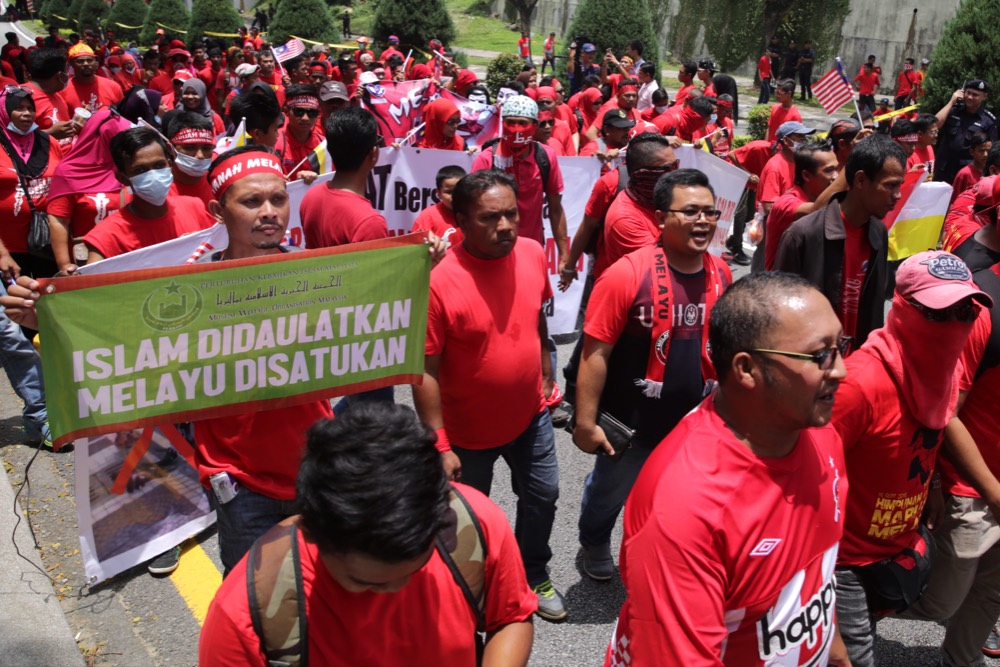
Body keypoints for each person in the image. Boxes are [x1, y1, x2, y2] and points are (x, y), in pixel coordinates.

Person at [605, 271, 850, 666]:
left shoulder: (822, 435)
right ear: (746, 369)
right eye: (819, 355)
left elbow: (816, 576)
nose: (839, 370)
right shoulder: (685, 511)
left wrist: (833, 650)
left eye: (840, 347)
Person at [199, 403, 536, 664]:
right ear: (312, 532)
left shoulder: (473, 524)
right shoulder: (245, 615)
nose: (394, 591)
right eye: (366, 583)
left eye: (414, 569)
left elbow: (511, 618)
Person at [412, 170, 567, 622]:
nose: (505, 227)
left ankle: (532, 571)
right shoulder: (438, 282)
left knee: (544, 495)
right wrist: (439, 444)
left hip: (530, 417)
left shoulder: (533, 253)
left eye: (511, 215)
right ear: (459, 221)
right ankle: (467, 588)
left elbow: (536, 318)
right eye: (489, 218)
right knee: (463, 519)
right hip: (465, 436)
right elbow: (424, 371)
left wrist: (544, 372)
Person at [831, 251, 993, 667]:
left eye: (965, 310)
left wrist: (936, 485)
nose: (955, 323)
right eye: (939, 314)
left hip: (897, 541)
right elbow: (803, 475)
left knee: (938, 605)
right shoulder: (859, 384)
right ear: (903, 309)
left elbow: (941, 420)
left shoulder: (942, 367)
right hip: (846, 560)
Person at [573, 169, 731, 581]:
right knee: (609, 494)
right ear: (661, 218)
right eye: (690, 211)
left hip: (695, 423)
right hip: (631, 423)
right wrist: (585, 422)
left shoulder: (722, 274)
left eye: (710, 212)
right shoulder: (627, 273)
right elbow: (595, 353)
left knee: (679, 498)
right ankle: (593, 541)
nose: (703, 221)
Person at [774, 135, 907, 345]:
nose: (898, 195)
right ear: (861, 180)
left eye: (899, 186)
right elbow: (781, 313)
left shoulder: (878, 232)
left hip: (857, 364)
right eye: (890, 185)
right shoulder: (803, 234)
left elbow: (873, 309)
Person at [81, 127, 215, 262]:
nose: (153, 175)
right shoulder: (107, 236)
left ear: (170, 165)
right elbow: (91, 281)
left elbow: (219, 251)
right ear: (122, 178)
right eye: (140, 170)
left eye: (159, 165)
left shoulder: (193, 207)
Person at [471, 96, 568, 269]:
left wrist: (564, 256)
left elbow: (556, 209)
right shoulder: (487, 160)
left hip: (532, 252)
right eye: (511, 122)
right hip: (493, 254)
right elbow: (474, 211)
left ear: (534, 125)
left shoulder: (545, 157)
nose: (516, 129)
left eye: (522, 123)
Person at [46, 108, 138, 274]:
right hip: (86, 260)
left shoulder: (128, 168)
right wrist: (64, 265)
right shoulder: (69, 171)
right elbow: (59, 221)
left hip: (128, 255)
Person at [595, 133, 679, 279]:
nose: (675, 174)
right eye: (667, 169)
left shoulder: (661, 200)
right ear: (643, 174)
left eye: (676, 165)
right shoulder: (624, 220)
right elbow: (665, 269)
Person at [0, 85, 62, 279]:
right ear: (4, 110)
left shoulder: (48, 142)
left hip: (47, 241)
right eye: (18, 108)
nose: (27, 113)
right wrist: (1, 254)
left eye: (30, 108)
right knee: (19, 304)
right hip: (8, 249)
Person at [764, 138, 840, 270]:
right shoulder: (786, 203)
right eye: (829, 171)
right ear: (806, 175)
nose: (836, 177)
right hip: (780, 288)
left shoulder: (826, 197)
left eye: (837, 169)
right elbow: (815, 212)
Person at [935, 79, 998, 184]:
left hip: (968, 172)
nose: (970, 97)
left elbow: (992, 150)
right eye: (968, 93)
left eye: (975, 95)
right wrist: (951, 102)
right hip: (944, 168)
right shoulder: (953, 110)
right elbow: (935, 125)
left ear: (984, 96)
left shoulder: (988, 121)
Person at [163, 111, 215, 206]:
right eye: (190, 148)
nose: (200, 155)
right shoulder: (157, 192)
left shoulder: (219, 183)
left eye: (206, 148)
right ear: (170, 149)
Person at [25, 48, 76, 144]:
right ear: (60, 75)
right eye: (66, 70)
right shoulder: (19, 97)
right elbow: (9, 137)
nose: (68, 75)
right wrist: (49, 133)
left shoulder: (56, 94)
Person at [273, 84, 323, 181]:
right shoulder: (275, 143)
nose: (305, 118)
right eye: (299, 112)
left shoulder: (323, 145)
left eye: (311, 113)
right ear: (286, 111)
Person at [411, 165, 465, 248]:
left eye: (459, 191)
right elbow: (415, 249)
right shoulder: (427, 217)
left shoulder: (474, 214)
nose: (455, 196)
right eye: (449, 192)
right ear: (438, 193)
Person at [61, 42, 123, 114]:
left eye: (89, 60)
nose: (86, 64)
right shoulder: (63, 91)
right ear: (71, 63)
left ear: (95, 62)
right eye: (80, 61)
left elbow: (122, 117)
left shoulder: (113, 87)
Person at [579, 109, 632, 174]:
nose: (626, 132)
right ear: (607, 130)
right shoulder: (593, 148)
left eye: (627, 128)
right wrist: (600, 161)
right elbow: (581, 174)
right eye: (621, 129)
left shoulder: (631, 146)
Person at [951, 131, 993, 203]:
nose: (985, 154)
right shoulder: (964, 174)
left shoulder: (994, 171)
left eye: (988, 151)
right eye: (981, 151)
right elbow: (953, 201)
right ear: (972, 152)